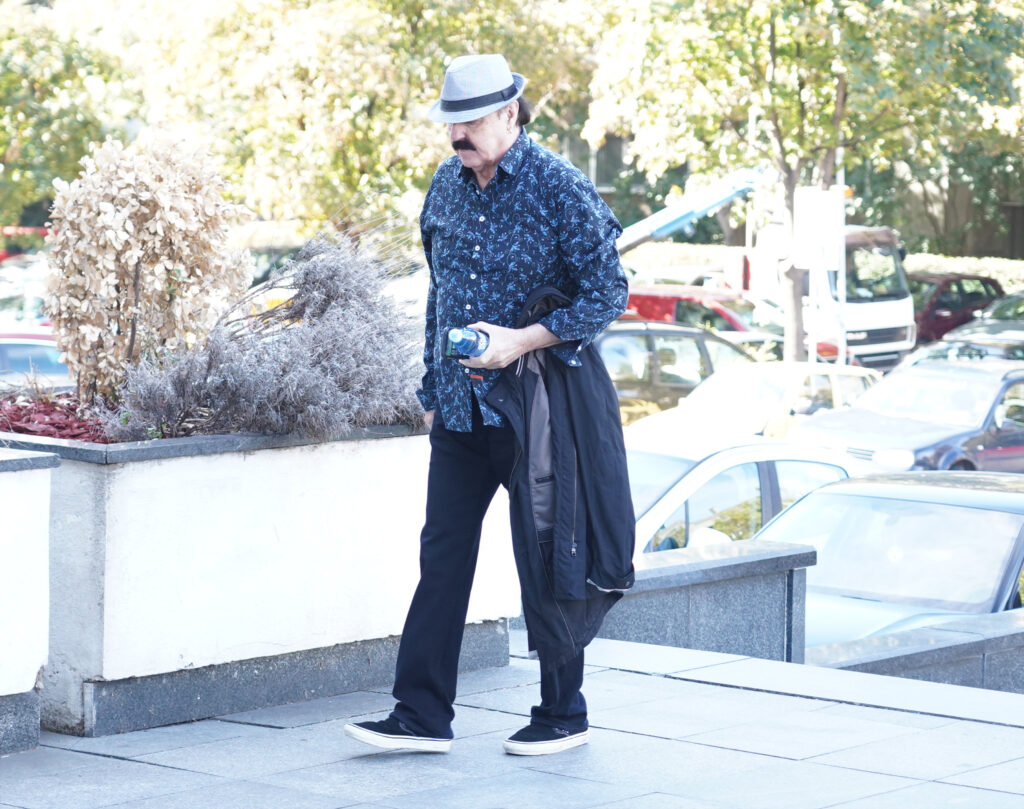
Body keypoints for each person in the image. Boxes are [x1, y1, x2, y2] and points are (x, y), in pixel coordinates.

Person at [344, 53, 633, 757]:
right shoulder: (445, 184)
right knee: (441, 555)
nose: (457, 136)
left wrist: (519, 342)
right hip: (459, 412)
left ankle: (563, 713)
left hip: (537, 408)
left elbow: (609, 293)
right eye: (451, 123)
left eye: (470, 122)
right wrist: (430, 392)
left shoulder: (560, 186)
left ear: (510, 113)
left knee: (546, 554)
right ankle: (420, 714)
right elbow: (438, 294)